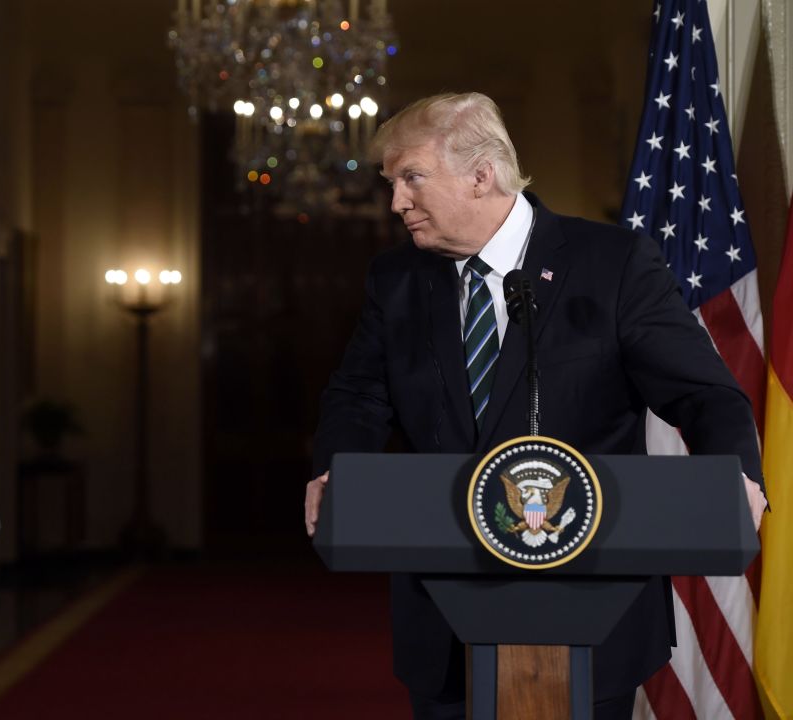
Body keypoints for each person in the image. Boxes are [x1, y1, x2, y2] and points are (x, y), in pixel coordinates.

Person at [302, 92, 768, 719]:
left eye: (411, 178)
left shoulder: (612, 264)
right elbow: (359, 394)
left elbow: (703, 392)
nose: (396, 203)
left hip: (591, 610)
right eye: (392, 184)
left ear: (481, 174)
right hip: (443, 622)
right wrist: (338, 468)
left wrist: (735, 474)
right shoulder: (398, 280)